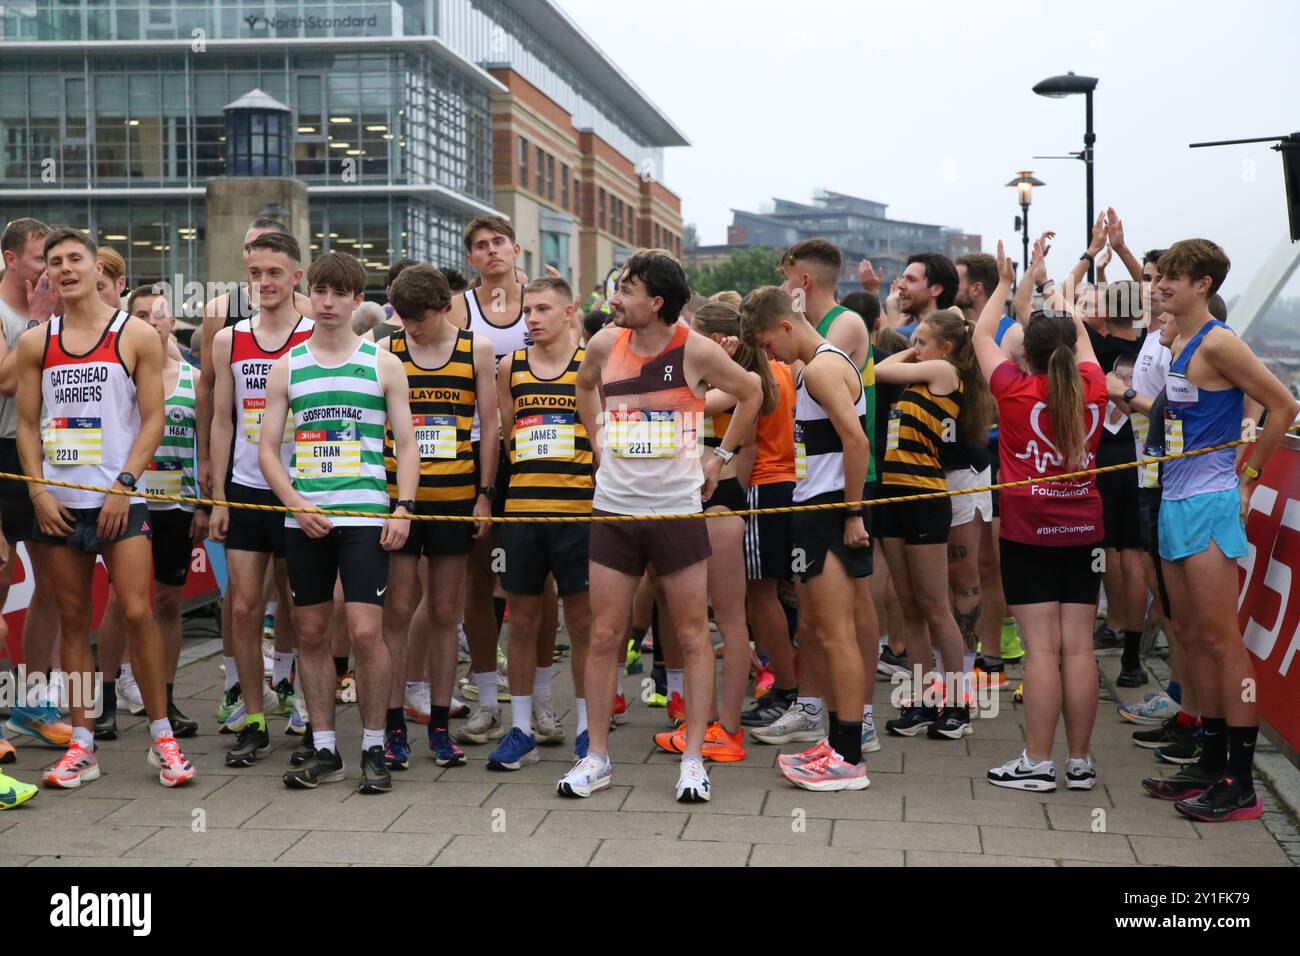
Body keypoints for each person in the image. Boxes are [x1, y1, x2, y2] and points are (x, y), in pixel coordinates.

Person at [558, 250, 760, 802]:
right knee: (604, 635)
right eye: (618, 286)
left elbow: (752, 393)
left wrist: (719, 457)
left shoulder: (694, 348)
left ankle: (693, 760)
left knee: (694, 636)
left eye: (628, 289)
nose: (616, 297)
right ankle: (595, 756)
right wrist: (598, 444)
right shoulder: (604, 344)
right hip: (615, 509)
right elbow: (583, 387)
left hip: (675, 509)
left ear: (658, 302)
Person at [15, 227, 196, 788]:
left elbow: (153, 420)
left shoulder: (134, 334)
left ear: (98, 269)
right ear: (47, 275)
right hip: (60, 505)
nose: (66, 269)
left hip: (121, 502)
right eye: (56, 262)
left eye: (76, 259)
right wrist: (39, 491)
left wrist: (123, 486)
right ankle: (83, 745)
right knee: (73, 619)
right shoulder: (35, 342)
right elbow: (24, 424)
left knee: (137, 612)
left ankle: (162, 737)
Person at [1143, 240, 1298, 821]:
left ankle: (1242, 784)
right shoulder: (1179, 342)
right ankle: (1209, 763)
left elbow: (1283, 404)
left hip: (1209, 501)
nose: (1159, 287)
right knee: (1189, 635)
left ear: (1202, 285)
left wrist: (1248, 477)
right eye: (1160, 280)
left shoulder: (1219, 342)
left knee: (1222, 641)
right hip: (1174, 499)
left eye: (1172, 280)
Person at [259, 251, 419, 792]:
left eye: (339, 294)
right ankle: (325, 748)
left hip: (366, 517)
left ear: (356, 300)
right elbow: (267, 452)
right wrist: (296, 506)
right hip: (305, 520)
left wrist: (404, 508)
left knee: (366, 630)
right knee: (309, 630)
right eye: (320, 292)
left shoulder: (382, 363)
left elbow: (408, 443)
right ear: (312, 295)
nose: (327, 303)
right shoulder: (288, 366)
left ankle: (374, 744)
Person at [973, 241, 1105, 791]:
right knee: (1079, 646)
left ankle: (1038, 761)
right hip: (1086, 530)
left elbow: (981, 335)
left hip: (1029, 532)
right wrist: (1051, 287)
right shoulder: (1094, 387)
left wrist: (1007, 282)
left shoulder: (1013, 389)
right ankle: (1079, 761)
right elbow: (1077, 332)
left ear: (1024, 353)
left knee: (1041, 650)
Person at [741, 285, 872, 789]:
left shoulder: (819, 368)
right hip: (814, 508)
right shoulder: (814, 366)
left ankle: (850, 757)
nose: (768, 353)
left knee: (835, 633)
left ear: (787, 327)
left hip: (829, 510)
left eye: (767, 342)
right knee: (818, 629)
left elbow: (856, 440)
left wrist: (853, 513)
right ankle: (838, 743)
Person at [378, 264, 497, 768]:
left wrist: (485, 496)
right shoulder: (389, 351)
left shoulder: (477, 350)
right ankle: (391, 725)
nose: (411, 326)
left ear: (444, 308)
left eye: (419, 317)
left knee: (447, 613)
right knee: (398, 614)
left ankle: (442, 727)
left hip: (454, 497)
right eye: (402, 317)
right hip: (397, 500)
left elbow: (490, 427)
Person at [655, 299, 777, 762]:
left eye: (695, 334)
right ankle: (701, 720)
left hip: (721, 501)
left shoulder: (739, 382)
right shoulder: (723, 375)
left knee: (728, 618)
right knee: (691, 615)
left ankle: (726, 728)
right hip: (693, 498)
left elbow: (687, 404)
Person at [208, 231, 314, 764]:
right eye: (255, 273)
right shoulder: (230, 339)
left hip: (307, 490)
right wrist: (220, 496)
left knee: (301, 603)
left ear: (297, 277)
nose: (264, 282)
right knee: (245, 607)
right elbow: (222, 418)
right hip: (248, 489)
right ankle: (253, 716)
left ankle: (300, 699)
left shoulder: (318, 333)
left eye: (275, 272)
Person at [489, 275, 596, 769]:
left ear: (570, 311)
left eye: (542, 310)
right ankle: (520, 729)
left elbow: (602, 438)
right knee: (524, 622)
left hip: (580, 514)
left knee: (583, 626)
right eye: (527, 310)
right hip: (523, 514)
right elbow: (509, 437)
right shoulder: (510, 367)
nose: (531, 319)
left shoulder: (591, 366)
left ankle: (587, 730)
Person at [94, 286, 207, 741]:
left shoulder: (194, 379)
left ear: (170, 323)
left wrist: (204, 502)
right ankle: (104, 702)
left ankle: (166, 696)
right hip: (130, 500)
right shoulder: (119, 373)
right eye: (138, 314)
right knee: (123, 602)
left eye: (156, 315)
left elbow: (204, 444)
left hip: (177, 504)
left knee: (166, 603)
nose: (148, 322)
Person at [876, 310, 985, 741]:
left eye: (922, 340)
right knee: (908, 607)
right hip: (891, 496)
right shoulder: (920, 375)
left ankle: (957, 704)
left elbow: (879, 369)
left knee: (935, 604)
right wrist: (915, 346)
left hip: (923, 498)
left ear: (946, 348)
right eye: (913, 340)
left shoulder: (943, 370)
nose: (915, 346)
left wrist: (914, 351)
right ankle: (921, 701)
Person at [448, 216, 531, 721]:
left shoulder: (539, 303)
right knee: (478, 577)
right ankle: (484, 692)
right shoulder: (460, 308)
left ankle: (535, 696)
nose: (492, 251)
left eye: (499, 241)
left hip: (533, 455)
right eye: (481, 246)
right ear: (472, 259)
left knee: (528, 579)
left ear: (516, 249)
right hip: (474, 451)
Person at [0, 218, 70, 751]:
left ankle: (32, 703)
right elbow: (5, 379)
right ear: (10, 260)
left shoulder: (61, 311)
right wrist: (39, 322)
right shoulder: (17, 315)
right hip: (3, 456)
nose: (49, 267)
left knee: (53, 582)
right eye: (39, 257)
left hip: (48, 455)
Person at [895, 252, 958, 341]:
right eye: (903, 278)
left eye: (911, 280)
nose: (900, 285)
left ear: (936, 289)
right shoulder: (959, 335)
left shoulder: (902, 335)